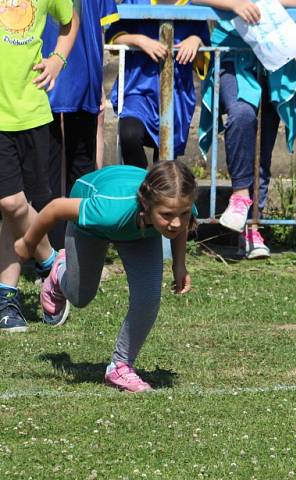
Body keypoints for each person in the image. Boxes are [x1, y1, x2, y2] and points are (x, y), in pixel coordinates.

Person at [14, 162, 197, 392]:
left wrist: (179, 265)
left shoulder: (178, 199)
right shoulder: (109, 210)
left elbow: (182, 226)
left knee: (148, 298)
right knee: (81, 296)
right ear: (147, 204)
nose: (176, 222)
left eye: (183, 213)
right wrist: (28, 243)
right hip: (93, 226)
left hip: (140, 230)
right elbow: (55, 208)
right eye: (168, 215)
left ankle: (120, 366)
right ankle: (60, 273)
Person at [196, 0, 296, 259]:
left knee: (262, 145)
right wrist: (235, 4)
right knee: (242, 115)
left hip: (274, 55)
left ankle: (252, 229)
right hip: (232, 58)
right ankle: (240, 195)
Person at [0, 0, 78, 333]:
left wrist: (58, 61)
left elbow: (70, 21)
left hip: (32, 111)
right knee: (11, 202)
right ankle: (51, 260)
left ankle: (7, 297)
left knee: (15, 207)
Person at [42, 0, 119, 250]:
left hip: (84, 75)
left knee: (81, 169)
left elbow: (100, 28)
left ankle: (81, 252)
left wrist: (97, 83)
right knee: (46, 169)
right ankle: (50, 255)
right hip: (39, 73)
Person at [106, 0, 210, 167]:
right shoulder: (135, 2)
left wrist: (196, 41)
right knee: (129, 134)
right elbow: (112, 38)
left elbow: (204, 62)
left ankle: (158, 189)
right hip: (138, 91)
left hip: (177, 96)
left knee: (165, 162)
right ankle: (139, 186)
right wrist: (139, 40)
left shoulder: (194, 6)